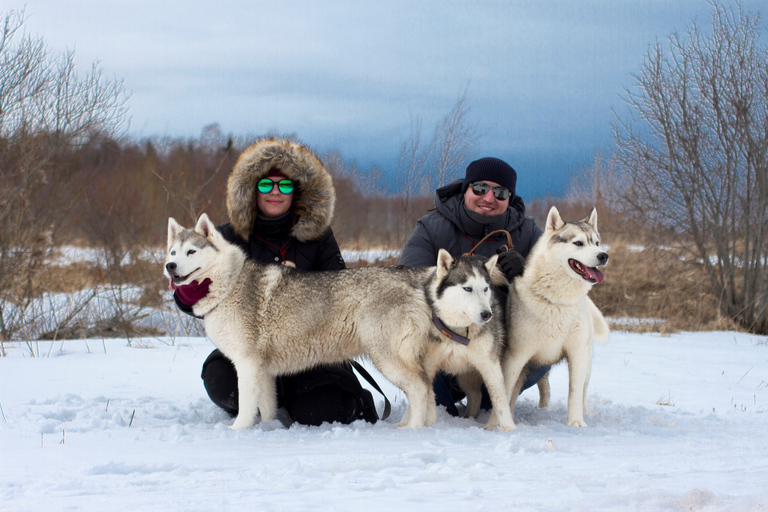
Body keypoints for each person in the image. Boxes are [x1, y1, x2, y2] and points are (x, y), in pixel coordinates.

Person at [173, 137, 378, 426]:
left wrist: (296, 285)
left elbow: (342, 290)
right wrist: (189, 292)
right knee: (220, 382)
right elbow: (188, 294)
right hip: (252, 345)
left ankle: (342, 399)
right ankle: (266, 402)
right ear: (252, 189)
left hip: (311, 347)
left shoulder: (319, 236)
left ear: (297, 191)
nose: (275, 193)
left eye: (285, 185)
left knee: (321, 411)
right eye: (266, 184)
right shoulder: (225, 237)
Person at [399, 156, 550, 416]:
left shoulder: (527, 232)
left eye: (500, 192)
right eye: (480, 189)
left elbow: (557, 291)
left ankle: (492, 396)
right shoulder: (433, 228)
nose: (489, 198)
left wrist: (526, 274)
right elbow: (407, 283)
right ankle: (440, 392)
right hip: (441, 342)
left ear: (510, 198)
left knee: (545, 343)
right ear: (466, 189)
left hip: (500, 345)